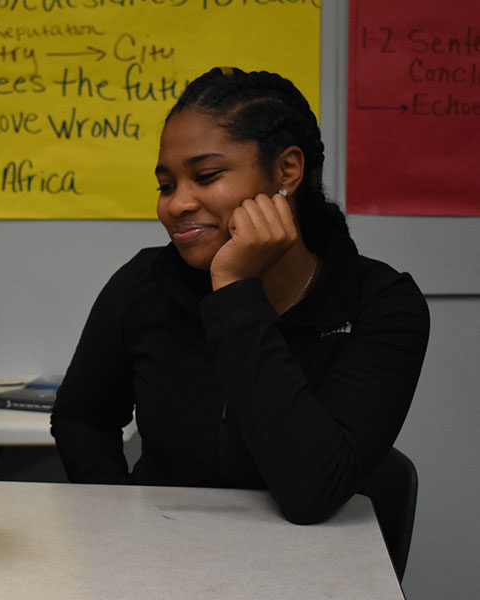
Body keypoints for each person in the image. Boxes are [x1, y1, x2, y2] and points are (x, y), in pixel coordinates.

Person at [50, 67, 430, 524]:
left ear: (287, 170)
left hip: (314, 570)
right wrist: (121, 514)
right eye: (166, 185)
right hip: (161, 561)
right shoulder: (144, 284)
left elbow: (312, 492)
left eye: (206, 176)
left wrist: (233, 289)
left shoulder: (381, 305)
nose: (176, 204)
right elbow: (82, 418)